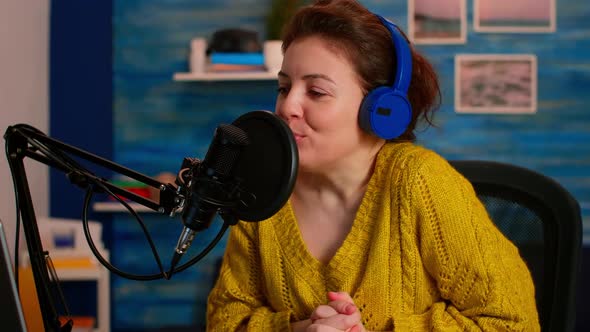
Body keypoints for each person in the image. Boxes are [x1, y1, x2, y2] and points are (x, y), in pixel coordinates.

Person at [207, 0, 540, 331]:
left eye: (317, 91)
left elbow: (512, 322)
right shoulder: (261, 189)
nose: (287, 106)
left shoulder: (421, 182)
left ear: (382, 110)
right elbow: (224, 321)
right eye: (284, 87)